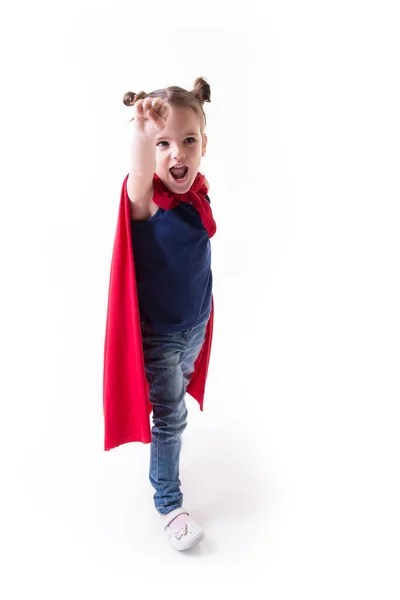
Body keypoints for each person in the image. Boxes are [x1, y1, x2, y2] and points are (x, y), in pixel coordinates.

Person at [104, 77, 217, 551]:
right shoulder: (145, 201)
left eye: (188, 141)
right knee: (170, 418)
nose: (178, 154)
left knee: (179, 404)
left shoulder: (196, 192)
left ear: (204, 144)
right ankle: (169, 503)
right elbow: (138, 170)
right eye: (164, 144)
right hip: (160, 337)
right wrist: (141, 133)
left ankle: (167, 465)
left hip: (195, 325)